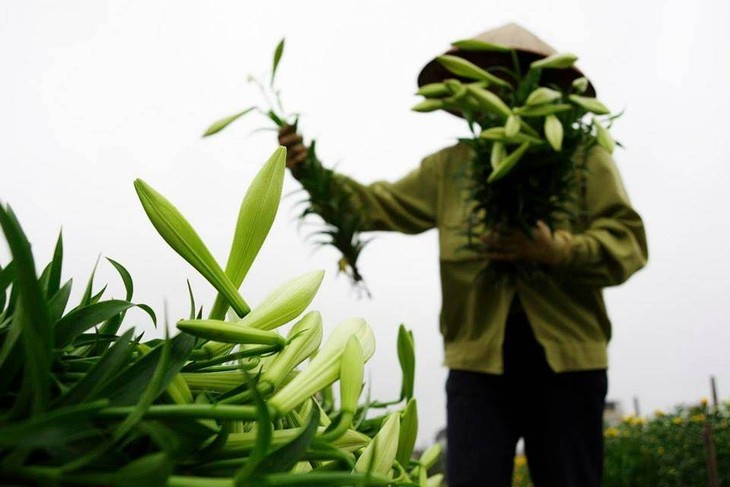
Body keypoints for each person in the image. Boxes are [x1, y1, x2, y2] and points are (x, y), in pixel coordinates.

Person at [279, 23, 648, 487]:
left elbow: (628, 243)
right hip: (478, 363)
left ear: (537, 85)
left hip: (569, 361)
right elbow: (374, 206)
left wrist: (555, 249)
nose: (495, 90)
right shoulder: (449, 167)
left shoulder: (580, 156)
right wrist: (310, 172)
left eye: (507, 78)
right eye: (483, 78)